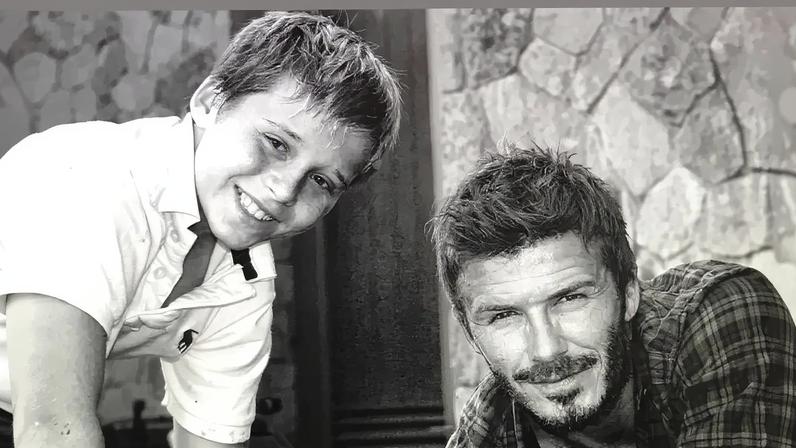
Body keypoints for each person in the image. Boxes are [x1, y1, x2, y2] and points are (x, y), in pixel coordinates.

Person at [0, 11, 401, 448]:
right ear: (210, 101)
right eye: (276, 143)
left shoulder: (246, 280)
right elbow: (51, 430)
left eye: (321, 181)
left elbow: (211, 441)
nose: (285, 190)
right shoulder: (89, 178)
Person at [431, 142, 796, 447]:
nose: (546, 350)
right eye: (504, 316)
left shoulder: (719, 311)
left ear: (629, 292)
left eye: (570, 298)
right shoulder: (491, 423)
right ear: (470, 333)